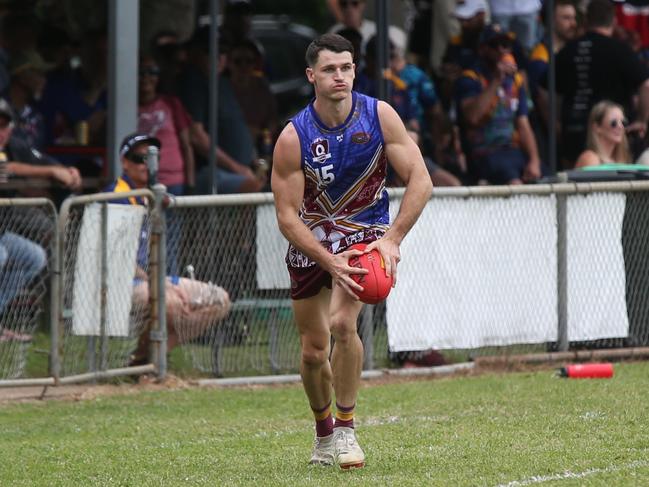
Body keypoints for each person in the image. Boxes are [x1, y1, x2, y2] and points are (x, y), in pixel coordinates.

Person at [271, 33, 432, 469]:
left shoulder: (379, 116)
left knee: (343, 323)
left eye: (345, 67)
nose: (338, 76)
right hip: (313, 240)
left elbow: (421, 180)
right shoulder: (293, 136)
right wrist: (327, 260)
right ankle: (323, 434)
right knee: (311, 349)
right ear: (311, 76)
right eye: (329, 69)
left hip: (366, 232)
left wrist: (392, 239)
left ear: (354, 70)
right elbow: (287, 217)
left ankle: (346, 430)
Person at [104, 133, 231, 366]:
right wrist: (159, 282)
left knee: (219, 299)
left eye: (152, 158)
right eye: (138, 158)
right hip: (120, 283)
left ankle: (146, 359)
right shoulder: (117, 196)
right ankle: (151, 363)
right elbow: (118, 260)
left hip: (152, 278)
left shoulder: (153, 194)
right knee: (170, 303)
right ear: (125, 162)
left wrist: (161, 282)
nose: (146, 165)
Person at [547, 0, 649, 168]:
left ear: (586, 20)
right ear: (614, 21)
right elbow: (646, 85)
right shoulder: (620, 50)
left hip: (573, 129)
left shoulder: (568, 50)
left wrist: (554, 121)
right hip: (590, 134)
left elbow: (546, 91)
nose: (620, 125)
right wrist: (641, 120)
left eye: (622, 122)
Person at [454, 25, 541, 184]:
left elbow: (523, 123)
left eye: (506, 45)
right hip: (484, 152)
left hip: (512, 149)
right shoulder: (470, 78)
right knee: (513, 179)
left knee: (546, 177)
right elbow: (473, 117)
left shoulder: (516, 80)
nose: (502, 50)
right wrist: (496, 80)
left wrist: (534, 160)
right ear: (482, 49)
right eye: (495, 45)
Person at [575, 100, 632, 167]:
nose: (620, 126)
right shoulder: (590, 158)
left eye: (623, 122)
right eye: (614, 123)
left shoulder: (620, 160)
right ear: (597, 127)